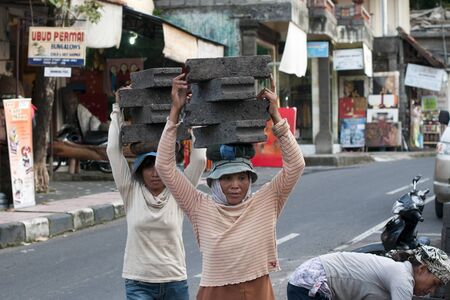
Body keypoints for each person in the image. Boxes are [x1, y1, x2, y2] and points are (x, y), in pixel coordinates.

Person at [155, 73, 305, 300]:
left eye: (242, 178)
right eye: (226, 178)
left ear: (250, 179)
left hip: (259, 292)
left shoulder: (266, 200)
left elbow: (296, 165)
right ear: (214, 181)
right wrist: (174, 112)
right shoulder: (199, 206)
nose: (235, 185)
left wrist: (275, 114)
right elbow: (164, 166)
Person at [106, 89, 207, 300]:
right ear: (140, 169)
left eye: (160, 165)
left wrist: (189, 112)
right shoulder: (131, 189)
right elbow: (113, 151)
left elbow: (198, 160)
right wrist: (117, 109)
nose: (155, 172)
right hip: (138, 283)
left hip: (174, 282)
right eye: (148, 165)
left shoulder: (180, 190)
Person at [287, 245, 450, 300]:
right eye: (435, 283)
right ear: (422, 269)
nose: (432, 291)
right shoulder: (403, 278)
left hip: (304, 280)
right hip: (310, 284)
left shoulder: (395, 275)